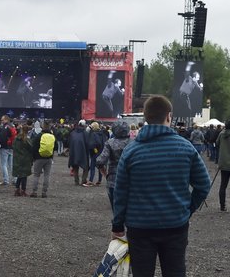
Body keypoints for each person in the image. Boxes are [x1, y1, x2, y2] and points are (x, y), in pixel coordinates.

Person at [112, 95, 211, 277]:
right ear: (169, 116)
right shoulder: (186, 148)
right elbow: (204, 185)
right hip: (175, 224)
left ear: (145, 118)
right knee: (175, 272)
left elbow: (120, 192)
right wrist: (187, 209)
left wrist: (117, 225)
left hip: (139, 226)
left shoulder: (131, 151)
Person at [95, 121, 131, 212]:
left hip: (113, 179)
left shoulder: (110, 143)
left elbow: (100, 161)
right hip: (131, 180)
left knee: (116, 209)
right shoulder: (134, 142)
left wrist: (104, 173)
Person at [30, 121, 56, 198]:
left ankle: (34, 191)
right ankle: (44, 192)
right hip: (49, 158)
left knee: (36, 175)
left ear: (42, 126)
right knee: (47, 175)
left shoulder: (39, 136)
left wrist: (34, 157)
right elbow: (56, 147)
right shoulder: (52, 136)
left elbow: (33, 147)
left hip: (38, 158)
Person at [12, 124, 33, 197]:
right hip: (25, 159)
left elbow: (13, 147)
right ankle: (23, 190)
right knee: (24, 175)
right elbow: (31, 149)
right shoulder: (27, 139)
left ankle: (17, 189)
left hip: (17, 159)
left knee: (19, 175)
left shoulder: (16, 138)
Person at [68, 120, 89, 186]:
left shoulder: (73, 133)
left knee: (75, 167)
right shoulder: (85, 133)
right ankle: (83, 180)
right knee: (86, 167)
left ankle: (76, 181)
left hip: (74, 152)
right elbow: (88, 143)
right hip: (83, 152)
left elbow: (69, 142)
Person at [86, 122, 108, 186]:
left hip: (95, 153)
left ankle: (91, 180)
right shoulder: (103, 133)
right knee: (100, 166)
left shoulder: (93, 134)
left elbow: (93, 144)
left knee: (92, 166)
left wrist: (94, 150)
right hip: (102, 152)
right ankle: (99, 180)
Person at [0, 115, 17, 185]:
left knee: (4, 164)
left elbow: (2, 138)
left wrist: (0, 145)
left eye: (2, 120)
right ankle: (15, 179)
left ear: (6, 120)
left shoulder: (4, 127)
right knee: (11, 164)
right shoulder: (12, 126)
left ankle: (6, 180)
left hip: (5, 147)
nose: (1, 121)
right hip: (12, 147)